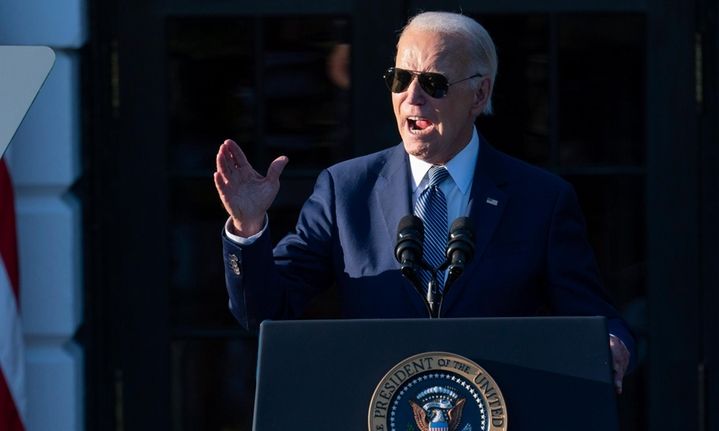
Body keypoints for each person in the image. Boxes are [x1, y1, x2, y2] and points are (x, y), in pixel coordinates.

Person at [214, 11, 634, 393]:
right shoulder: (346, 189)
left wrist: (613, 345)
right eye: (400, 79)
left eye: (433, 83)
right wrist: (248, 229)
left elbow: (594, 317)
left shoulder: (539, 199)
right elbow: (265, 309)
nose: (412, 98)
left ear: (479, 94)